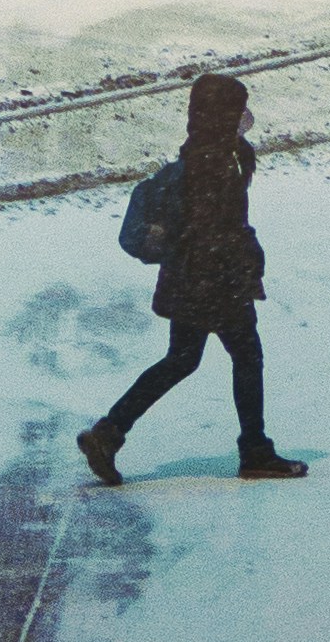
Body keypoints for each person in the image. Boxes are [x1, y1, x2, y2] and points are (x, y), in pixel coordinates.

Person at [80, 71, 305, 482]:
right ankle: (254, 451)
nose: (243, 119)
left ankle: (109, 432)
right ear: (223, 115)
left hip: (191, 280)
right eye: (236, 111)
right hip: (215, 282)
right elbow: (218, 229)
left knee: (181, 360)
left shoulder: (203, 153)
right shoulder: (215, 163)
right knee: (246, 356)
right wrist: (243, 265)